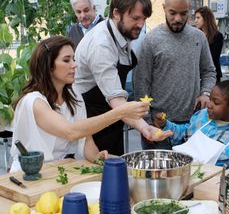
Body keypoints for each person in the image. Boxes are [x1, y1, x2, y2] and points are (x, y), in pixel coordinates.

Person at [9, 36, 151, 173]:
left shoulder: (74, 96)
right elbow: (70, 132)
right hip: (26, 176)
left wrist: (96, 157)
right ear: (48, 66)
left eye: (74, 59)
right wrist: (120, 112)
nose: (74, 64)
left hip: (56, 172)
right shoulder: (33, 101)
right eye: (66, 60)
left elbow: (86, 140)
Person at [73, 0, 171, 156]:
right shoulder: (101, 45)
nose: (141, 24)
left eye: (144, 18)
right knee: (99, 174)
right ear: (116, 13)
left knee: (116, 169)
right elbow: (116, 100)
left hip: (112, 116)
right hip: (91, 119)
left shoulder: (121, 31)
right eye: (135, 18)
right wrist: (144, 127)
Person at [133, 0, 216, 150]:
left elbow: (209, 71)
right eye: (173, 13)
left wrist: (206, 93)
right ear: (164, 8)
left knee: (194, 172)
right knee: (160, 173)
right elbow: (141, 83)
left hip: (194, 124)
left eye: (183, 13)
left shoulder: (199, 37)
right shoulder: (150, 41)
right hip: (159, 125)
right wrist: (147, 122)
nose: (178, 18)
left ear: (189, 9)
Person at [154, 80, 229, 166]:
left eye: (216, 102)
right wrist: (165, 125)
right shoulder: (202, 115)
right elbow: (184, 132)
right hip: (187, 167)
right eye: (210, 99)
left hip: (214, 176)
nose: (209, 105)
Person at [195, 6, 224, 83]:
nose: (195, 21)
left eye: (198, 18)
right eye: (195, 18)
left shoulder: (217, 36)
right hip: (198, 76)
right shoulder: (196, 35)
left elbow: (212, 57)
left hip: (212, 77)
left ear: (206, 18)